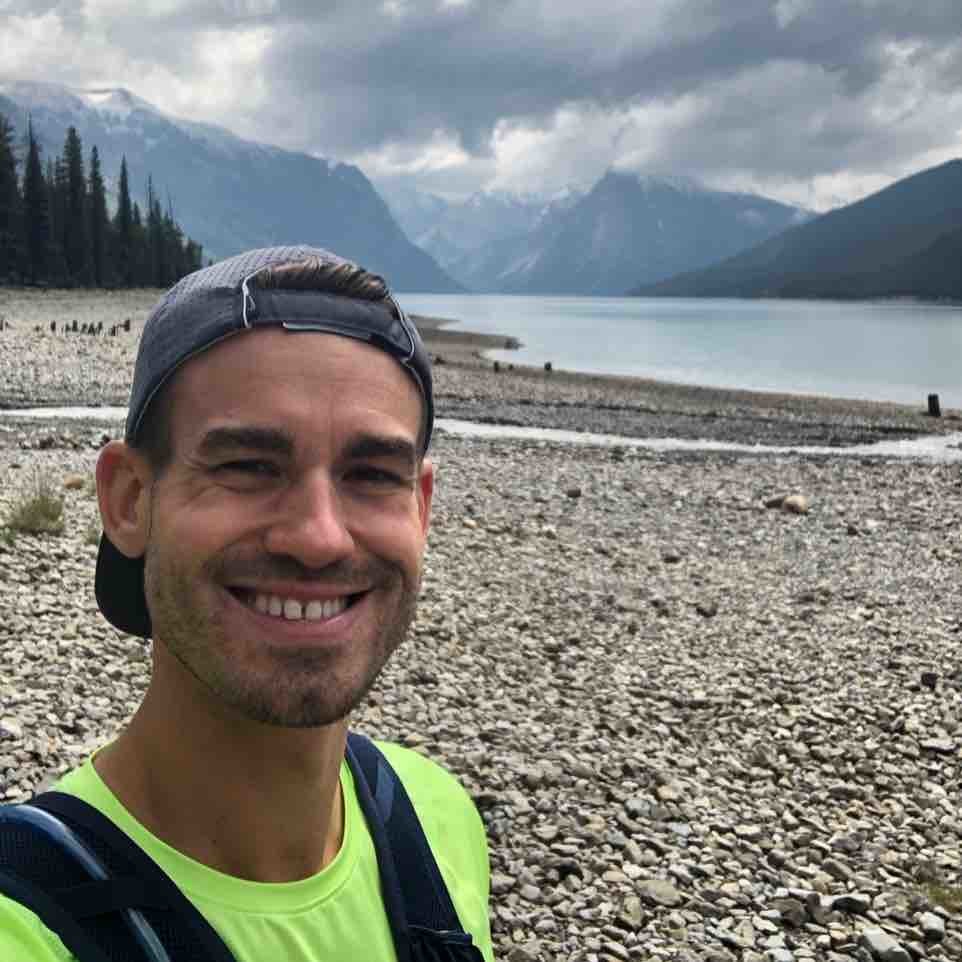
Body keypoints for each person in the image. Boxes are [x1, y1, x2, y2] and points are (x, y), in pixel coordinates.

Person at [0, 246, 493, 961]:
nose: (319, 538)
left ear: (420, 509)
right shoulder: (25, 923)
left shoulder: (436, 819)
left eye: (371, 475)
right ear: (129, 500)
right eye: (248, 467)